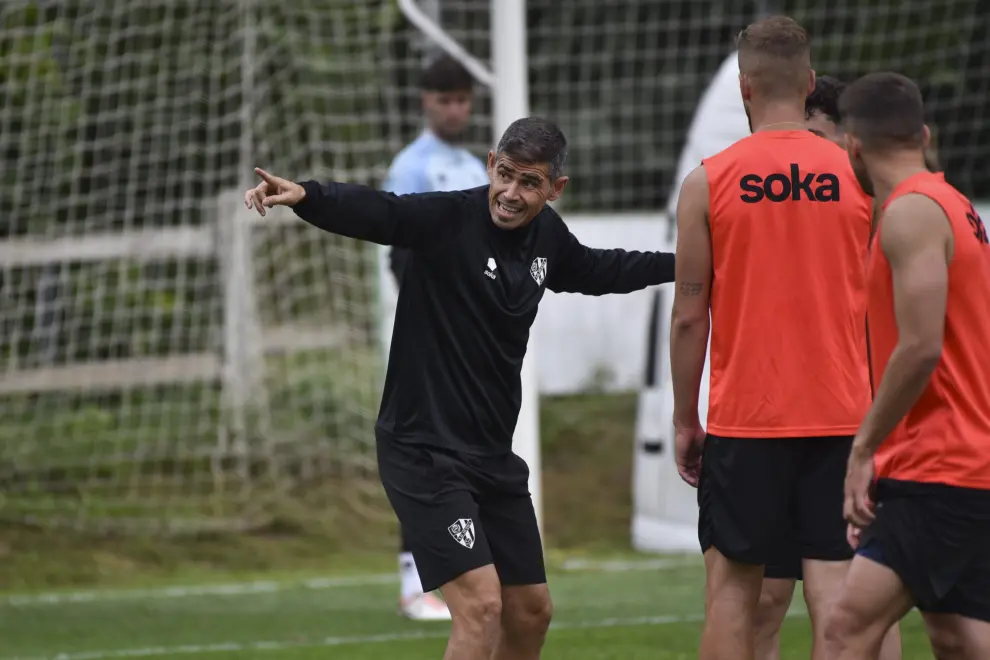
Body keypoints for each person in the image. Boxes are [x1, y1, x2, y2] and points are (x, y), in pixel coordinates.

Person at [245, 116, 676, 660]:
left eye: (530, 183)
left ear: (555, 188)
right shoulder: (448, 218)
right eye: (505, 174)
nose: (511, 194)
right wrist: (308, 196)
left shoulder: (548, 238)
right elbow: (383, 211)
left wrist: (686, 266)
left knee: (531, 611)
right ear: (491, 163)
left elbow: (600, 268)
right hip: (423, 451)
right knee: (480, 607)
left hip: (491, 458)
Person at [669, 16, 876, 660]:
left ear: (744, 87)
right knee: (836, 596)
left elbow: (687, 315)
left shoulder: (708, 180)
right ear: (809, 82)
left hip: (747, 420)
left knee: (733, 593)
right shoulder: (859, 177)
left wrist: (684, 418)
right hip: (842, 415)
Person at [823, 71, 990, 660]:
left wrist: (863, 449)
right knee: (959, 636)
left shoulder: (911, 212)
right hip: (963, 462)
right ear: (923, 133)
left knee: (845, 630)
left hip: (941, 466)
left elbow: (920, 348)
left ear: (853, 147)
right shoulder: (954, 204)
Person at [754, 74, 903, 660]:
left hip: (853, 421)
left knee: (855, 599)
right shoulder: (782, 202)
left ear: (852, 139)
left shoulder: (884, 207)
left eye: (820, 139)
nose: (807, 156)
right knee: (765, 595)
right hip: (771, 424)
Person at [379, 54, 489, 623]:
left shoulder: (477, 167)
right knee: (426, 456)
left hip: (475, 343)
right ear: (426, 101)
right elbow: (401, 256)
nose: (455, 109)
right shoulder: (412, 169)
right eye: (445, 99)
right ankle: (414, 582)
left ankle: (467, 574)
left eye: (463, 99)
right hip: (427, 344)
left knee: (470, 456)